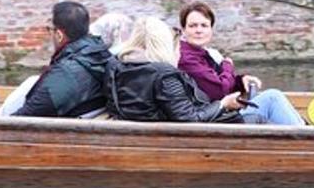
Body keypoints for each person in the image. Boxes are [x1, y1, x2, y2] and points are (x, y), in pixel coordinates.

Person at [174, 1, 304, 125]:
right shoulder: (186, 58)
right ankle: (306, 140)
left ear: (211, 30)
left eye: (204, 25)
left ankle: (305, 134)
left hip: (221, 115)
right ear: (183, 30)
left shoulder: (202, 53)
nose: (199, 30)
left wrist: (240, 82)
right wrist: (228, 65)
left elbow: (216, 82)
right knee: (272, 98)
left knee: (275, 101)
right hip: (214, 120)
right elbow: (220, 90)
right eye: (193, 26)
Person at [104, 17, 248, 123]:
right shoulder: (164, 74)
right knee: (262, 110)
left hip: (139, 138)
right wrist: (223, 104)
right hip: (177, 142)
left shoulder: (115, 65)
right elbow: (190, 119)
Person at [13, 1, 114, 117]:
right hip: (80, 126)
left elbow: (27, 115)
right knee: (30, 81)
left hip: (60, 132)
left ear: (59, 35)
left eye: (50, 29)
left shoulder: (66, 73)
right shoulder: (101, 55)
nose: (50, 34)